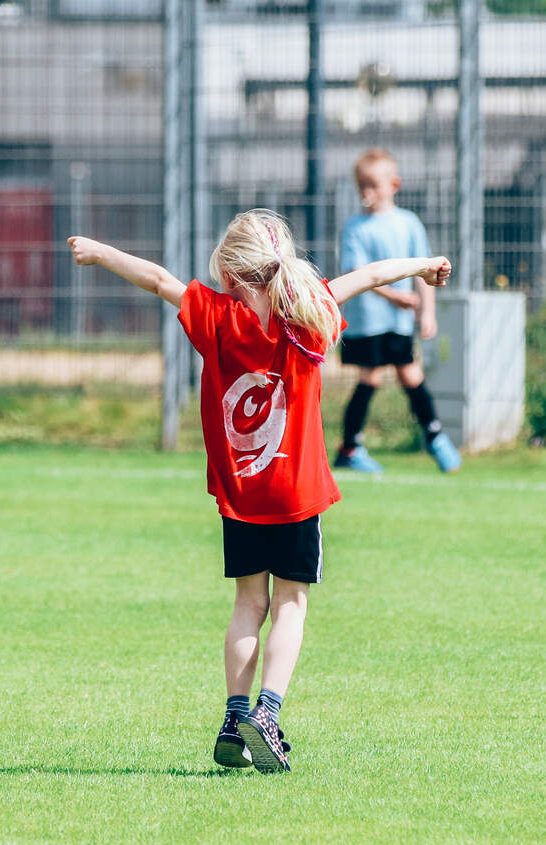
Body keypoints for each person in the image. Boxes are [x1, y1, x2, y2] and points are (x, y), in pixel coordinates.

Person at [68, 210, 450, 773]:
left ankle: (233, 718)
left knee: (248, 604)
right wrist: (424, 266)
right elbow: (371, 275)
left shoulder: (216, 316)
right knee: (291, 604)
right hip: (296, 493)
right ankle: (266, 714)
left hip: (241, 494)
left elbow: (157, 279)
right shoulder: (309, 311)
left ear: (228, 270)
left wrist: (100, 252)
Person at [333, 148, 459, 474]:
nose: (367, 192)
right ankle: (350, 448)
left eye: (373, 185)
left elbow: (425, 270)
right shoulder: (355, 227)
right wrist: (393, 297)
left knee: (410, 374)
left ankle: (434, 436)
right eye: (362, 185)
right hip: (367, 321)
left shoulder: (408, 223)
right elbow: (358, 274)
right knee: (371, 376)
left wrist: (427, 312)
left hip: (398, 322)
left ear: (394, 185)